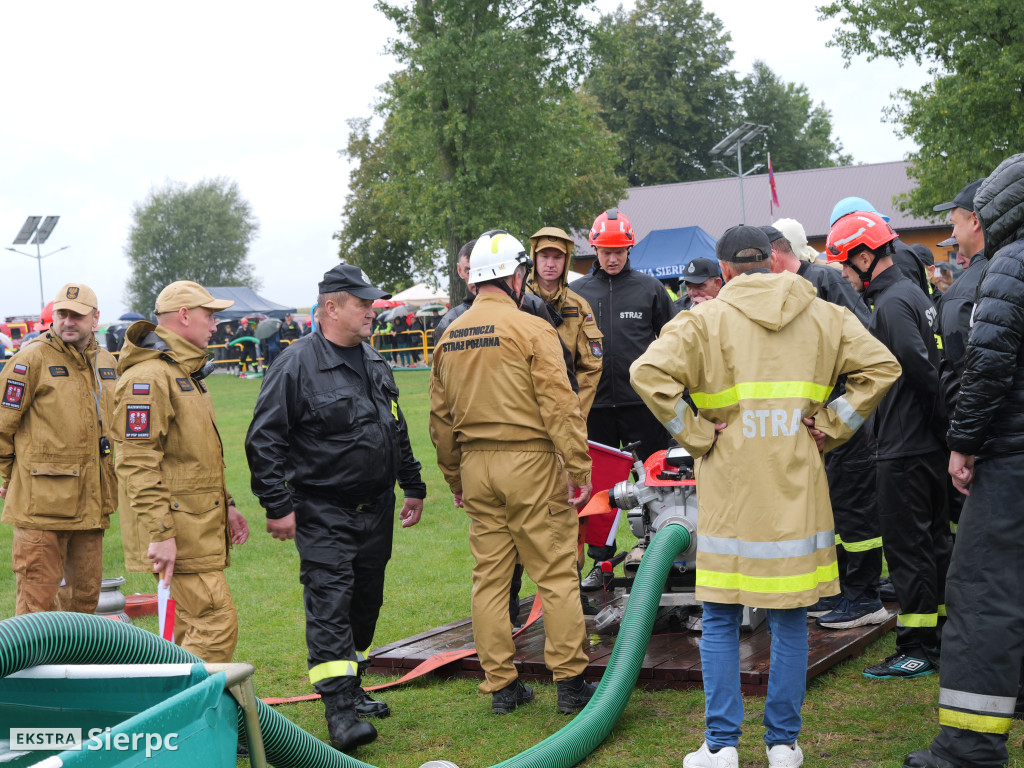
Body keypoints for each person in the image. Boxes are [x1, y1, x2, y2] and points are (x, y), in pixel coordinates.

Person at [631, 225, 899, 768]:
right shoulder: (823, 314)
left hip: (730, 490)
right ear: (775, 263)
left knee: (723, 618)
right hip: (797, 491)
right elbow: (882, 366)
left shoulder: (702, 320)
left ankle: (721, 746)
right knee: (791, 617)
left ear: (724, 269)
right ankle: (783, 745)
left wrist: (698, 435)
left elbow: (647, 372)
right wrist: (831, 426)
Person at [245, 263, 426, 752]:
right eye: (362, 303)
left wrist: (412, 483)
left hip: (377, 508)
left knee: (365, 602)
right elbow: (264, 441)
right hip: (323, 507)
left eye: (372, 303)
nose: (372, 311)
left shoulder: (373, 359)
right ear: (331, 307)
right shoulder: (296, 364)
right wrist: (278, 505)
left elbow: (394, 425)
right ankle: (339, 713)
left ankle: (355, 683)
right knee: (330, 603)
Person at [429, 230, 597, 717]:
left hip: (477, 467)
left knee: (490, 580)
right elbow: (560, 405)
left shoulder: (448, 337)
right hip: (532, 463)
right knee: (557, 575)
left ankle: (502, 686)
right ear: (515, 275)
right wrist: (578, 467)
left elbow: (440, 423)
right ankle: (570, 684)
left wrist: (455, 480)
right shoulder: (531, 328)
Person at [903, 155, 1024, 768]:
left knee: (981, 594)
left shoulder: (1011, 267)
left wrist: (964, 442)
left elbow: (989, 367)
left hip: (1012, 462)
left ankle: (969, 748)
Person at [826, 210, 953, 679]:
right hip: (921, 445)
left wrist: (938, 428)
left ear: (865, 256)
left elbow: (919, 370)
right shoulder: (911, 294)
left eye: (844, 264)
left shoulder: (894, 303)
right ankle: (936, 635)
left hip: (903, 448)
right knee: (934, 544)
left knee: (908, 549)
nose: (842, 275)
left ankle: (916, 647)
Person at [114, 280, 250, 662]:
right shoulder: (149, 377)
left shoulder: (184, 372)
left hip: (195, 525)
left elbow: (192, 458)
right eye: (210, 315)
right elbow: (135, 461)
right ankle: (187, 716)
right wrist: (160, 533)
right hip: (178, 530)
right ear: (185, 316)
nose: (215, 325)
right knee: (214, 624)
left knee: (196, 626)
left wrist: (227, 504)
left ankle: (185, 715)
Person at [760, 224, 886, 629]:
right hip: (814, 425)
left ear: (774, 256)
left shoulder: (824, 280)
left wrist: (835, 412)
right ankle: (837, 591)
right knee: (827, 511)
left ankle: (865, 598)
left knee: (854, 509)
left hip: (843, 422)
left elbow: (863, 342)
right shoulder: (788, 289)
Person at [571, 208, 676, 588]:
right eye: (604, 251)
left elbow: (673, 343)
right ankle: (601, 566)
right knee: (599, 488)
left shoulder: (650, 290)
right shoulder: (577, 293)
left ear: (630, 248)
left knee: (654, 482)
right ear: (594, 249)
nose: (612, 258)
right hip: (594, 408)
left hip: (642, 406)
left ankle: (659, 554)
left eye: (619, 251)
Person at [0, 283, 118, 615]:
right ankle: (30, 669)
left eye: (77, 316)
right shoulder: (30, 359)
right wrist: (10, 477)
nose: (68, 321)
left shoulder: (106, 362)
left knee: (84, 602)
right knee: (37, 606)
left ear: (95, 319)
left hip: (91, 504)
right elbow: (2, 426)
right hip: (40, 509)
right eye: (62, 313)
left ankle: (77, 666)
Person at [526, 226, 604, 417]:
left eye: (557, 257)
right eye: (544, 256)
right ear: (534, 259)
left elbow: (591, 367)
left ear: (566, 260)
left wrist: (574, 411)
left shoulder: (580, 307)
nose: (550, 264)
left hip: (567, 410)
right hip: (524, 410)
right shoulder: (516, 303)